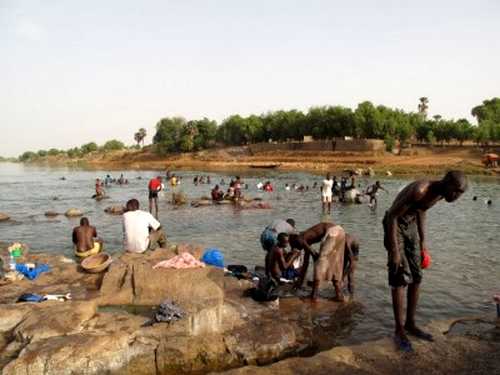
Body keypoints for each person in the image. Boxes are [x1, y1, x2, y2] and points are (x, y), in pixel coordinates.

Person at [383, 170, 468, 352]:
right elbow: (392, 216)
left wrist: (423, 244)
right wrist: (395, 251)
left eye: (460, 194)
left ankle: (410, 324)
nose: (457, 197)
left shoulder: (440, 195)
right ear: (447, 184)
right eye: (456, 191)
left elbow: (421, 211)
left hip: (411, 225)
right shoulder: (420, 190)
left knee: (417, 276)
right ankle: (399, 330)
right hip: (395, 225)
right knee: (399, 277)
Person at [289, 222, 347, 302]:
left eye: (292, 244)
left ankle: (313, 296)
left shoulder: (300, 238)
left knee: (319, 264)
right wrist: (300, 281)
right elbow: (306, 262)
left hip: (332, 232)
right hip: (340, 231)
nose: (294, 247)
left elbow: (314, 255)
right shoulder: (306, 238)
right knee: (335, 265)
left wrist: (317, 260)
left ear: (293, 239)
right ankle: (339, 295)